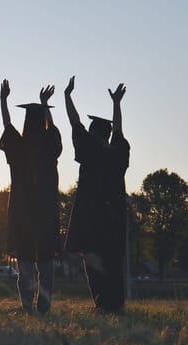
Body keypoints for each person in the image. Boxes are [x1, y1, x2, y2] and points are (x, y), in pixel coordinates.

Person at [64, 76, 130, 314]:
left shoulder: (88, 149)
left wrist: (67, 96)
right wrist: (117, 104)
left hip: (91, 217)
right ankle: (117, 304)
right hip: (115, 215)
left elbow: (75, 123)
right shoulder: (119, 152)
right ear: (108, 134)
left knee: (93, 261)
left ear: (93, 132)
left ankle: (102, 303)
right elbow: (120, 130)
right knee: (113, 262)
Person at [0, 80, 62, 315]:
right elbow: (53, 132)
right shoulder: (49, 145)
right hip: (46, 211)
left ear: (26, 122)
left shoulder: (18, 146)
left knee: (25, 261)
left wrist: (3, 99)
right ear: (43, 122)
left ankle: (27, 305)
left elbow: (7, 124)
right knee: (46, 261)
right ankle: (44, 306)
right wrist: (45, 106)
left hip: (22, 211)